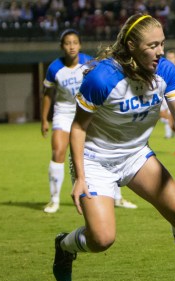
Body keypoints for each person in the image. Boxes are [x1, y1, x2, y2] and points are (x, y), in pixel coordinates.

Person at [53, 14, 175, 281]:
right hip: (96, 160)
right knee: (102, 239)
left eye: (162, 44)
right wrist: (80, 177)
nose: (160, 52)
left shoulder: (166, 71)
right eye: (152, 45)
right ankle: (64, 246)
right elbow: (78, 128)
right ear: (131, 45)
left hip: (135, 156)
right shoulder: (102, 77)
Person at [41, 29, 137, 214]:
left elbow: (103, 82)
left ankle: (117, 197)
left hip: (87, 111)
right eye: (67, 43)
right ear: (62, 46)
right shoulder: (54, 68)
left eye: (75, 42)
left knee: (104, 151)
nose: (71, 46)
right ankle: (54, 200)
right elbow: (47, 95)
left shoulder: (89, 62)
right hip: (64, 113)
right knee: (58, 151)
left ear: (80, 45)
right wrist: (44, 119)